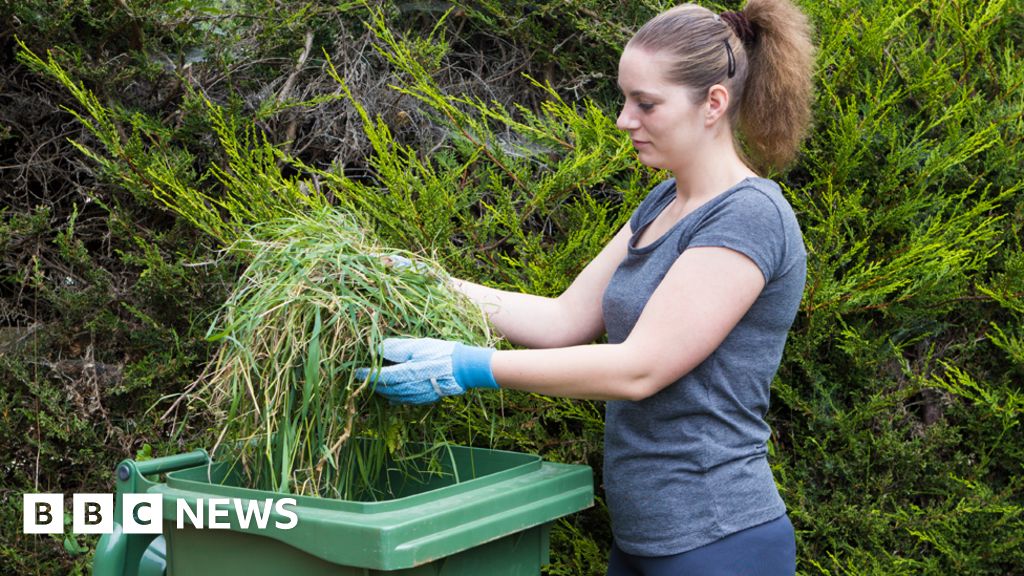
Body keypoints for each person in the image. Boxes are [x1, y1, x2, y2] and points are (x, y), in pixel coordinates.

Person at [358, 1, 815, 573]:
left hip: (720, 540)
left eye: (646, 103)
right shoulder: (663, 203)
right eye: (625, 99)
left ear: (713, 104)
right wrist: (427, 281)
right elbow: (563, 320)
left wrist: (467, 366)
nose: (624, 120)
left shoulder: (749, 216)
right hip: (644, 539)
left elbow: (639, 369)